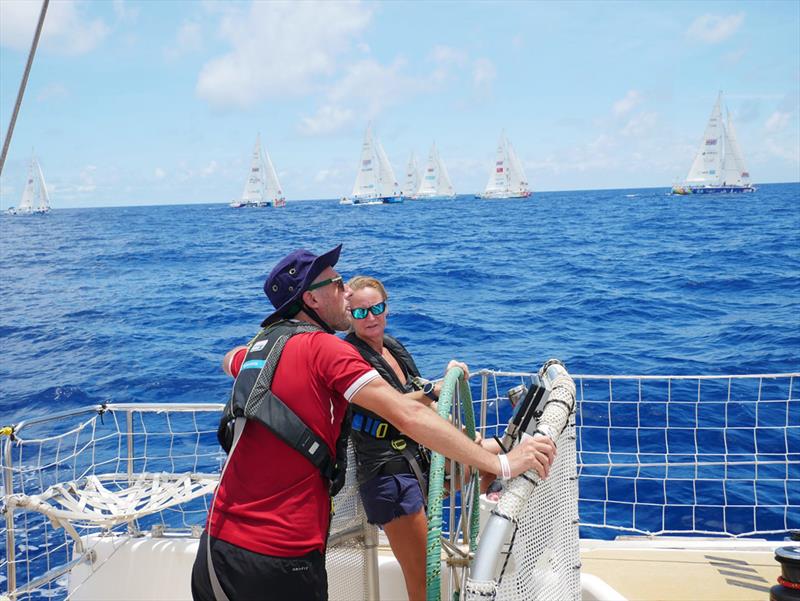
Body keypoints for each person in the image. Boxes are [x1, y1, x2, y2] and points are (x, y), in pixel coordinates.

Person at [190, 244, 557, 601]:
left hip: (215, 553)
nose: (346, 292)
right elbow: (407, 413)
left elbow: (229, 359)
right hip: (280, 558)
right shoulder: (327, 349)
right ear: (311, 300)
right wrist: (502, 463)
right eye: (336, 283)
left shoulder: (259, 349)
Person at [343, 275, 439, 601]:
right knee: (424, 582)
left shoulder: (393, 348)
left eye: (376, 308)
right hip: (389, 478)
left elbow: (414, 395)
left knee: (486, 463)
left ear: (386, 309)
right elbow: (395, 408)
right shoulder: (349, 358)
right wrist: (433, 392)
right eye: (359, 313)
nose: (370, 318)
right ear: (348, 316)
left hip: (415, 458)